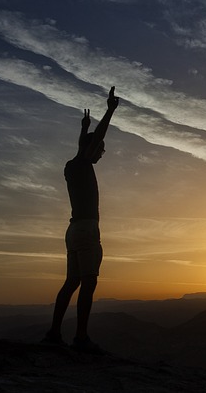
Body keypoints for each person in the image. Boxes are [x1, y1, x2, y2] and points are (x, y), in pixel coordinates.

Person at [44, 86, 120, 354]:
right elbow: (91, 144)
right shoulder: (84, 165)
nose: (101, 153)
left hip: (73, 230)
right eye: (101, 149)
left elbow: (84, 147)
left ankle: (54, 333)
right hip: (87, 230)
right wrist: (109, 112)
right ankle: (81, 337)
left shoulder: (71, 166)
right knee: (88, 283)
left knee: (71, 282)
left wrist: (82, 130)